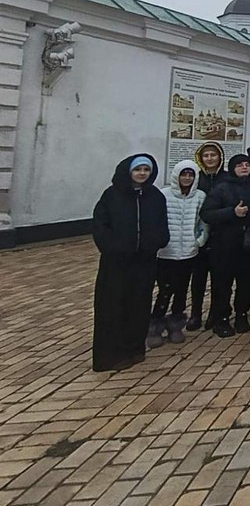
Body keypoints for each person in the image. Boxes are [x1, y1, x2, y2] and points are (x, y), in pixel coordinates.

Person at [91, 154, 169, 372]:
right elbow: (100, 225)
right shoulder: (112, 195)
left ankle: (134, 348)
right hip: (117, 261)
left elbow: (162, 222)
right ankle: (110, 355)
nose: (142, 173)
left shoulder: (154, 196)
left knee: (139, 305)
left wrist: (158, 241)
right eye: (138, 170)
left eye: (146, 169)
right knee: (113, 306)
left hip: (144, 261)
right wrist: (113, 247)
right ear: (128, 171)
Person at [200, 153, 250, 337]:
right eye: (240, 165)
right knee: (222, 284)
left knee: (246, 283)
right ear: (233, 168)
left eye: (247, 164)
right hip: (225, 245)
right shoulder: (222, 188)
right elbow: (207, 213)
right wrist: (232, 212)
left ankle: (242, 314)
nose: (244, 167)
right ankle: (221, 318)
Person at [150, 160, 208, 347]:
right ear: (177, 175)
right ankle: (155, 326)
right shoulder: (164, 195)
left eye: (191, 175)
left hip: (188, 253)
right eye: (184, 174)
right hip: (166, 252)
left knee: (182, 290)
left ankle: (176, 325)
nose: (187, 178)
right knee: (165, 290)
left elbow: (203, 223)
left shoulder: (200, 196)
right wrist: (160, 242)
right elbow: (156, 222)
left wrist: (198, 242)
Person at [188, 141, 229, 331]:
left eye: (213, 155)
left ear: (220, 157)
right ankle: (196, 313)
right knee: (198, 276)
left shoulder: (227, 179)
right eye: (206, 156)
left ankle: (215, 311)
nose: (210, 159)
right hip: (199, 232)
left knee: (220, 277)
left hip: (221, 233)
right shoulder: (196, 179)